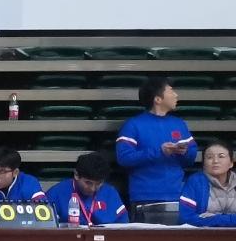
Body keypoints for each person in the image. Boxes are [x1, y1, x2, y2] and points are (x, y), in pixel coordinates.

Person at [116, 74, 197, 211]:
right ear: (158, 99)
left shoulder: (179, 123)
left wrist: (185, 151)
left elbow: (191, 157)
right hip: (144, 196)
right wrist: (160, 151)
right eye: (171, 91)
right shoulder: (133, 124)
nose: (176, 95)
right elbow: (124, 158)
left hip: (178, 194)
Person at [46, 150, 129, 226]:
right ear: (76, 175)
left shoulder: (110, 192)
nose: (93, 188)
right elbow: (46, 228)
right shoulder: (56, 194)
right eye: (88, 183)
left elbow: (123, 226)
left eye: (98, 184)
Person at [180, 138, 236, 225]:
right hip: (205, 233)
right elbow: (186, 218)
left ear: (231, 163)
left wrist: (214, 219)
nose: (215, 161)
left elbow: (204, 219)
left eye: (221, 156)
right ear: (204, 163)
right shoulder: (195, 182)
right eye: (209, 157)